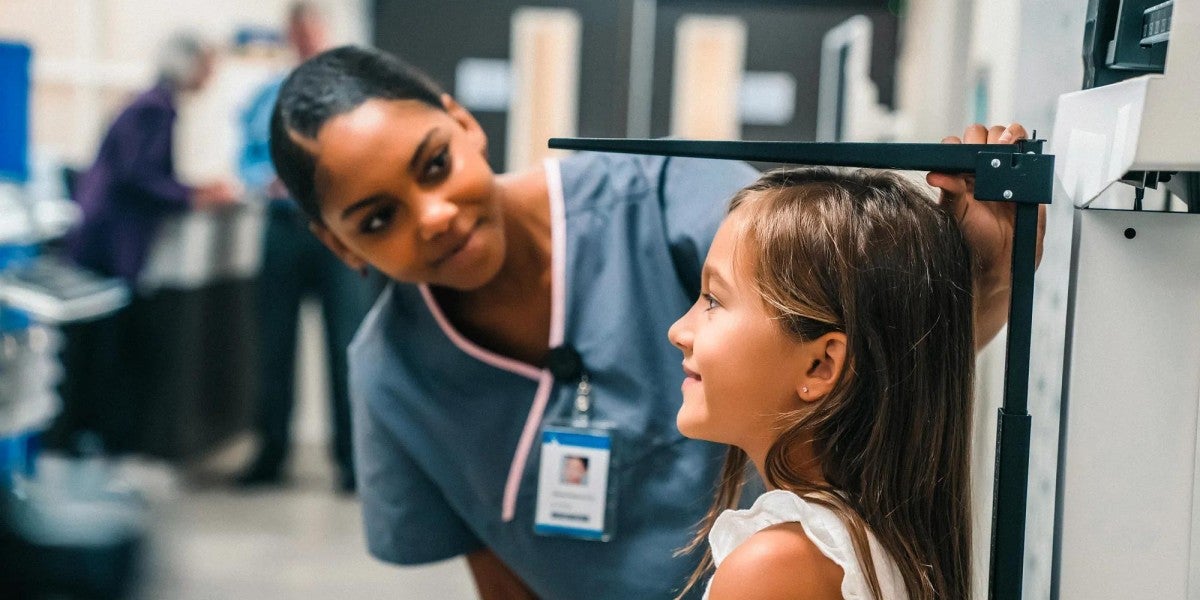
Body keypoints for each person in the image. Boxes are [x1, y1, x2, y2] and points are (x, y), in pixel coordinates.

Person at [267, 45, 1038, 599]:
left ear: (462, 122)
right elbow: (498, 580)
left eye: (433, 164)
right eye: (376, 220)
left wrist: (990, 278)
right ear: (339, 248)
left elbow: (865, 367)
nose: (432, 216)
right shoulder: (391, 375)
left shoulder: (670, 199)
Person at [668, 167, 978, 599]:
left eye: (714, 300)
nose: (678, 331)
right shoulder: (864, 543)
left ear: (820, 366)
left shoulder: (777, 568)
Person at [54, 32, 237, 454]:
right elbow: (137, 177)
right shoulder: (155, 109)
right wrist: (195, 196)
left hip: (105, 242)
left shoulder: (150, 105)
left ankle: (88, 440)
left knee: (101, 351)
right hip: (108, 245)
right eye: (207, 65)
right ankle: (89, 442)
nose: (210, 76)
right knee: (103, 353)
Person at [235, 2, 376, 492]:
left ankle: (352, 463)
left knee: (345, 345)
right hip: (282, 230)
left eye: (313, 35)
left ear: (325, 36)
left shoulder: (352, 100)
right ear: (290, 38)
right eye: (298, 35)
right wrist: (264, 180)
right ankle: (270, 454)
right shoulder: (263, 100)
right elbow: (246, 160)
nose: (306, 43)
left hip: (335, 234)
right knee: (274, 346)